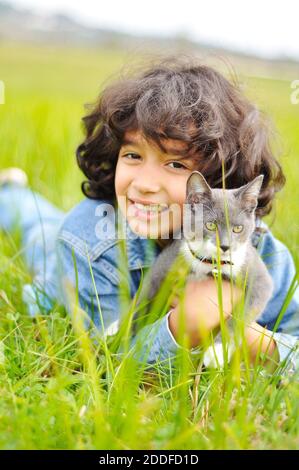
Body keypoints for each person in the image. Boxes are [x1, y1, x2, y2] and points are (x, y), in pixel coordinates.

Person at [1, 55, 298, 375]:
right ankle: (10, 192)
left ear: (220, 183)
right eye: (132, 155)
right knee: (37, 230)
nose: (143, 184)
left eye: (176, 164)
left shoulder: (262, 252)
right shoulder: (88, 242)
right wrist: (186, 325)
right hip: (70, 255)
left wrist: (249, 339)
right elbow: (108, 360)